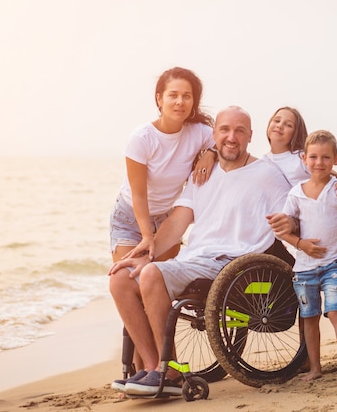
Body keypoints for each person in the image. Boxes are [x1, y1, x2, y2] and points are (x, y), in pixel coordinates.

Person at [108, 106, 292, 395]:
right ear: (214, 135)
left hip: (234, 263)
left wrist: (298, 226)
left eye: (239, 131)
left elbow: (291, 215)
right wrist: (146, 253)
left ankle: (169, 371)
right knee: (120, 279)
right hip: (195, 260)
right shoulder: (202, 174)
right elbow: (177, 223)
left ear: (250, 136)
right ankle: (154, 366)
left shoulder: (266, 175)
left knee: (152, 275)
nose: (231, 137)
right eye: (225, 130)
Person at [264, 106, 337, 368]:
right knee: (304, 292)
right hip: (294, 232)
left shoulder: (300, 157)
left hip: (322, 228)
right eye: (276, 120)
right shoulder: (262, 161)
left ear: (297, 132)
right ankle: (308, 357)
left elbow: (332, 176)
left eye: (288, 124)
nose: (280, 126)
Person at [109, 66, 218, 266]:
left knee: (160, 283)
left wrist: (211, 153)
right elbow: (138, 194)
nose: (180, 102)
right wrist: (146, 236)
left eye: (187, 96)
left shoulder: (199, 132)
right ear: (159, 99)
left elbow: (225, 141)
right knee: (127, 279)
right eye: (173, 95)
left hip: (167, 220)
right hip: (131, 218)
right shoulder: (142, 138)